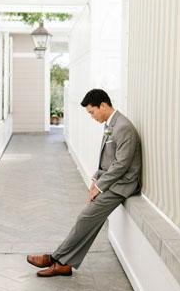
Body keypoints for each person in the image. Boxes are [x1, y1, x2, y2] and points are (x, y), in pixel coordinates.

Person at [26, 89, 142, 277]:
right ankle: (64, 264)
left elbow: (121, 165)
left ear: (103, 105)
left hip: (123, 184)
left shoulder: (124, 127)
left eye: (92, 112)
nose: (91, 116)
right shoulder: (112, 124)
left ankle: (55, 258)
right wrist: (96, 178)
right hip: (112, 182)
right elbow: (108, 159)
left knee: (85, 218)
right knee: (88, 220)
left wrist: (98, 187)